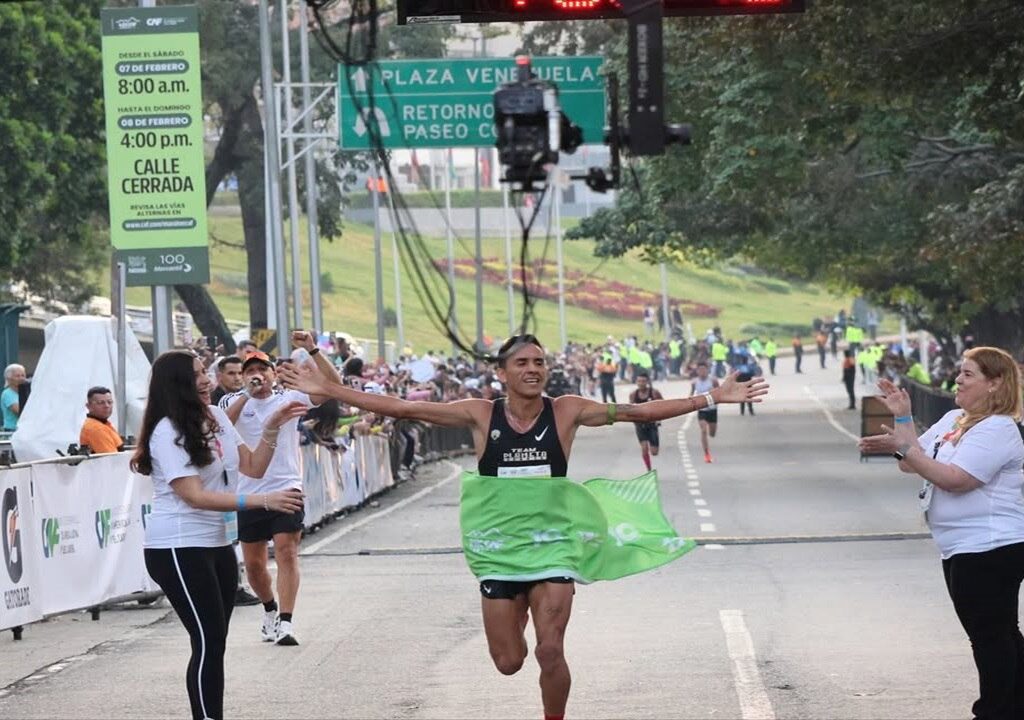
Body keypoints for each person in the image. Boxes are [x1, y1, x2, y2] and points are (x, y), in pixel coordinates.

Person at [277, 334, 768, 720]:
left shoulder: (568, 410)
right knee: (510, 661)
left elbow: (637, 412)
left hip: (554, 546)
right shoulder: (478, 414)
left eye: (539, 363)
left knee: (550, 649)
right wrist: (331, 389)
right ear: (502, 373)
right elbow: (403, 408)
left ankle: (554, 715)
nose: (533, 370)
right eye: (522, 364)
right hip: (498, 550)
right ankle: (517, 611)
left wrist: (711, 396)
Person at [131, 350, 305, 720]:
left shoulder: (215, 418)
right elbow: (193, 495)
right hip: (177, 546)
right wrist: (264, 502)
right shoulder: (167, 431)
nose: (208, 380)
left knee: (216, 642)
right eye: (197, 375)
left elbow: (254, 466)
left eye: (205, 373)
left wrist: (272, 426)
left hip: (215, 543)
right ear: (178, 383)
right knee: (208, 640)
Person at [859, 347, 1024, 720]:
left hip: (991, 545)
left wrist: (905, 450)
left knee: (989, 636)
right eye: (959, 373)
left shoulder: (998, 428)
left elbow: (956, 480)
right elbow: (914, 462)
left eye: (968, 375)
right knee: (999, 632)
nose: (958, 380)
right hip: (959, 545)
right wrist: (902, 417)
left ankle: (995, 711)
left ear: (995, 383)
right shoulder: (954, 418)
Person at [220, 333, 335, 646]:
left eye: (263, 370)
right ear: (242, 377)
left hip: (286, 486)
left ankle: (286, 621)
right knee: (255, 565)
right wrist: (246, 393)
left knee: (287, 552)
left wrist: (313, 350)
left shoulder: (289, 398)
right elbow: (221, 427)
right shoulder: (233, 402)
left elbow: (330, 387)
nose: (257, 375)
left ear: (273, 373)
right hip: (250, 492)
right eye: (249, 371)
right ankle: (269, 608)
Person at [629, 372, 664, 471]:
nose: (641, 383)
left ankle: (653, 448)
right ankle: (649, 470)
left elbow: (663, 405)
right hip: (640, 425)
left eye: (643, 381)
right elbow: (629, 409)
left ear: (647, 382)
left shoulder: (654, 393)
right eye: (639, 381)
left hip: (652, 424)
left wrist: (659, 419)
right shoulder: (633, 395)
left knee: (654, 452)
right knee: (644, 448)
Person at [690, 362, 720, 463]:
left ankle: (711, 432)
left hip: (712, 409)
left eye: (704, 370)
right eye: (700, 370)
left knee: (712, 433)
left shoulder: (713, 380)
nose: (702, 372)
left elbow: (719, 392)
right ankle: (707, 454)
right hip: (702, 410)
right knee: (703, 430)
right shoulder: (695, 382)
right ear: (697, 371)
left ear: (707, 370)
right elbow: (691, 394)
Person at [79, 386, 123, 453]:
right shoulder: (95, 428)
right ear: (88, 406)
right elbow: (112, 459)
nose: (106, 406)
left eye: (110, 402)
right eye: (101, 402)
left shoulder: (103, 424)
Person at [2, 364, 26, 432]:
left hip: (24, 429)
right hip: (12, 430)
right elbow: (20, 411)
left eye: (23, 375)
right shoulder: (7, 394)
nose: (21, 378)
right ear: (9, 378)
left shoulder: (26, 392)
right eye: (17, 376)